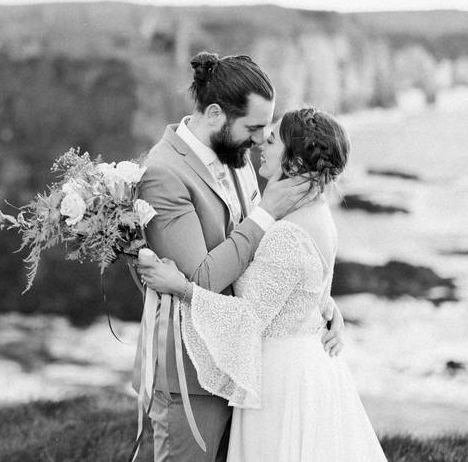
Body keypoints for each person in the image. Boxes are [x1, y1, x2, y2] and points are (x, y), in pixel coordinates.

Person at [137, 108, 387, 462]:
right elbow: (304, 287)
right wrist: (328, 308)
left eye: (272, 140)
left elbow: (249, 317)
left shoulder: (286, 232)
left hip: (281, 380)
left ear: (295, 162)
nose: (260, 146)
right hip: (303, 364)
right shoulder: (316, 215)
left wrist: (180, 286)